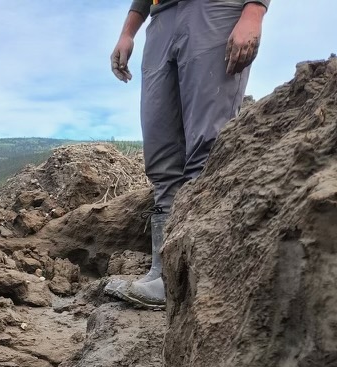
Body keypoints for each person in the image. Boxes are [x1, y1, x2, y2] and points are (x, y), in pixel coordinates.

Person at [104, 0, 269, 309]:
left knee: (206, 145)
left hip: (216, 8)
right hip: (162, 17)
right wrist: (129, 31)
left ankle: (199, 275)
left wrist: (254, 10)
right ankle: (163, 272)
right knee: (161, 150)